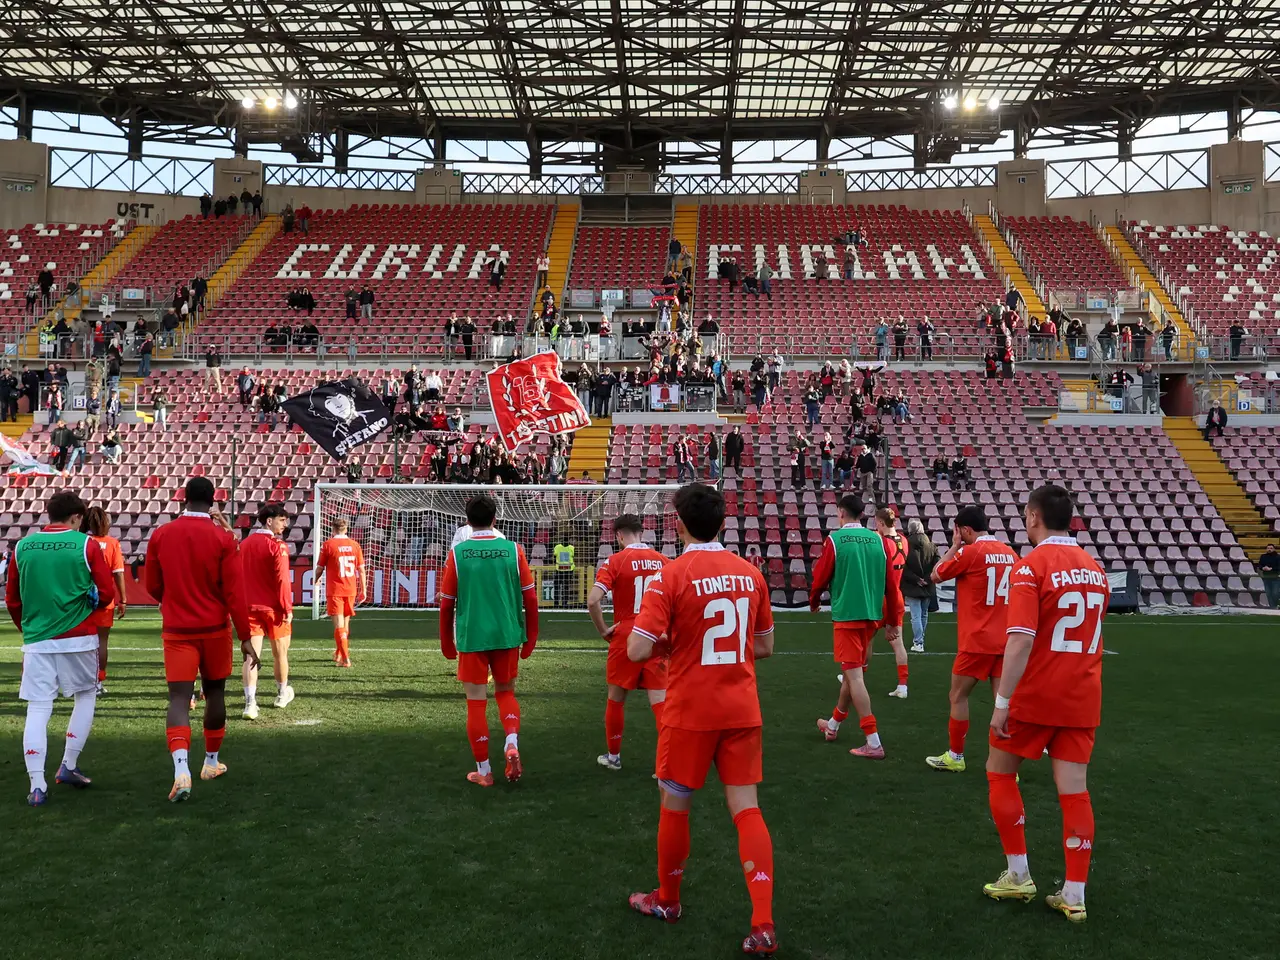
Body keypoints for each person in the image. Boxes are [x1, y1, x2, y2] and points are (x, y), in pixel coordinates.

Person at [624, 484, 777, 956]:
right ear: (723, 523)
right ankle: (763, 923)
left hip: (690, 710)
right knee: (746, 810)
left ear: (678, 524)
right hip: (741, 708)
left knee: (675, 805)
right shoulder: (750, 573)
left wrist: (674, 644)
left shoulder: (670, 575)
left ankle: (668, 901)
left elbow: (636, 649)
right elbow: (765, 646)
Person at [982, 483, 1108, 923]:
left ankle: (1019, 874)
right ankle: (1074, 894)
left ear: (1034, 516)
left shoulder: (1030, 567)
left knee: (999, 772)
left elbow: (1020, 640)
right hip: (1082, 696)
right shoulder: (1095, 569)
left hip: (1037, 695)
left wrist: (1002, 701)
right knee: (1075, 792)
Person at [143, 477, 253, 803]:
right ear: (213, 500)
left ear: (184, 498)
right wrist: (246, 636)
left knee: (179, 699)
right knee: (215, 693)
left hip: (178, 630)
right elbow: (234, 592)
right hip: (215, 629)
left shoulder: (162, 534)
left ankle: (181, 770)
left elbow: (152, 585)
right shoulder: (223, 538)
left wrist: (172, 600)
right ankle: (210, 763)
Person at [7, 491, 116, 805]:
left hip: (38, 640)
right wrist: (91, 600)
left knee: (38, 709)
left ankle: (37, 785)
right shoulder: (87, 545)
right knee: (85, 696)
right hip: (79, 638)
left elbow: (13, 599)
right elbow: (106, 593)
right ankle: (68, 764)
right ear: (77, 517)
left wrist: (29, 630)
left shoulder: (22, 546)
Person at [438, 495, 539, 787]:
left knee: (476, 704)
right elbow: (531, 598)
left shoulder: (458, 553)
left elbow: (447, 603)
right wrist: (531, 637)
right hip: (507, 634)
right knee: (506, 693)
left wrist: (446, 642)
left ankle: (484, 771)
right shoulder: (514, 550)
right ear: (495, 519)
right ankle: (511, 742)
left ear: (467, 522)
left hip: (472, 636)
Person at [922, 505, 1020, 773]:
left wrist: (954, 546)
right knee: (1003, 704)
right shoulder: (1010, 553)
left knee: (957, 696)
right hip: (1005, 641)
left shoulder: (970, 552)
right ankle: (1007, 767)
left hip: (977, 640)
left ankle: (956, 756)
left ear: (965, 530)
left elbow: (936, 574)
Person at [809, 493, 903, 760]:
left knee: (855, 678)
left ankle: (873, 741)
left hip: (848, 616)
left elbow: (821, 576)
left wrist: (814, 600)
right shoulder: (878, 540)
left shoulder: (835, 540)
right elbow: (892, 586)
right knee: (853, 674)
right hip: (872, 616)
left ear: (841, 512)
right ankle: (833, 725)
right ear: (863, 514)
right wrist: (893, 621)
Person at [586, 514, 669, 771]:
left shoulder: (615, 561)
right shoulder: (664, 561)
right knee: (661, 703)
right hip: (656, 636)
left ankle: (613, 757)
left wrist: (603, 631)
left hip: (626, 635)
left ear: (619, 536)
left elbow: (593, 600)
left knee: (616, 699)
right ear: (641, 533)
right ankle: (667, 765)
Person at [239, 503, 294, 720]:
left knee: (251, 657)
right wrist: (287, 607)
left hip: (249, 607)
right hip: (274, 609)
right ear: (269, 521)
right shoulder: (277, 546)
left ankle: (250, 703)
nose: (285, 524)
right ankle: (281, 694)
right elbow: (282, 580)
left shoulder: (244, 544)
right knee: (280, 653)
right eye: (282, 520)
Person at [317, 518, 367, 668]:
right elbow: (361, 570)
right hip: (350, 589)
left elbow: (320, 567)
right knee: (345, 624)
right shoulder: (355, 545)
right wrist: (363, 589)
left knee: (339, 625)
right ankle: (339, 653)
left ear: (333, 529)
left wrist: (316, 579)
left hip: (335, 590)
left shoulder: (328, 545)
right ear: (346, 529)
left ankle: (345, 659)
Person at [876, 508, 912, 699]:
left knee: (864, 640)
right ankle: (902, 686)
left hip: (880, 597)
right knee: (899, 645)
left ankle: (852, 678)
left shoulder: (881, 543)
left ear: (881, 523)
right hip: (897, 596)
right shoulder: (904, 540)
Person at [901, 518, 937, 654]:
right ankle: (920, 640)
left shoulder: (905, 545)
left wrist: (916, 579)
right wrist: (927, 579)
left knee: (916, 616)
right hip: (928, 586)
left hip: (912, 586)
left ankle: (918, 642)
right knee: (923, 615)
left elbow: (902, 566)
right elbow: (938, 564)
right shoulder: (932, 545)